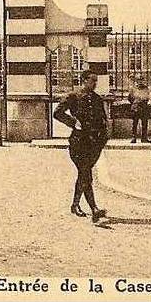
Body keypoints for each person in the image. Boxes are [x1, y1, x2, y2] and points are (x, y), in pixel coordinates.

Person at [53, 70, 109, 223]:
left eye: (96, 81)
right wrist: (73, 123)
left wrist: (102, 139)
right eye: (92, 81)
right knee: (86, 173)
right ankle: (94, 209)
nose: (95, 84)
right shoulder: (73, 96)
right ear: (84, 80)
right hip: (78, 143)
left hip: (93, 143)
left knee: (84, 174)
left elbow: (103, 120)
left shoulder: (97, 99)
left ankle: (75, 204)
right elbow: (57, 113)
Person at [127, 75, 151, 144]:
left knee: (145, 124)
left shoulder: (146, 88)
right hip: (136, 108)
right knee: (135, 123)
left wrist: (143, 102)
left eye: (142, 80)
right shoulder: (133, 89)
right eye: (139, 80)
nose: (140, 82)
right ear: (136, 81)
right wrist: (135, 103)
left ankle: (144, 138)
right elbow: (129, 98)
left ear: (143, 81)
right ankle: (134, 137)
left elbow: (147, 98)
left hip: (144, 108)